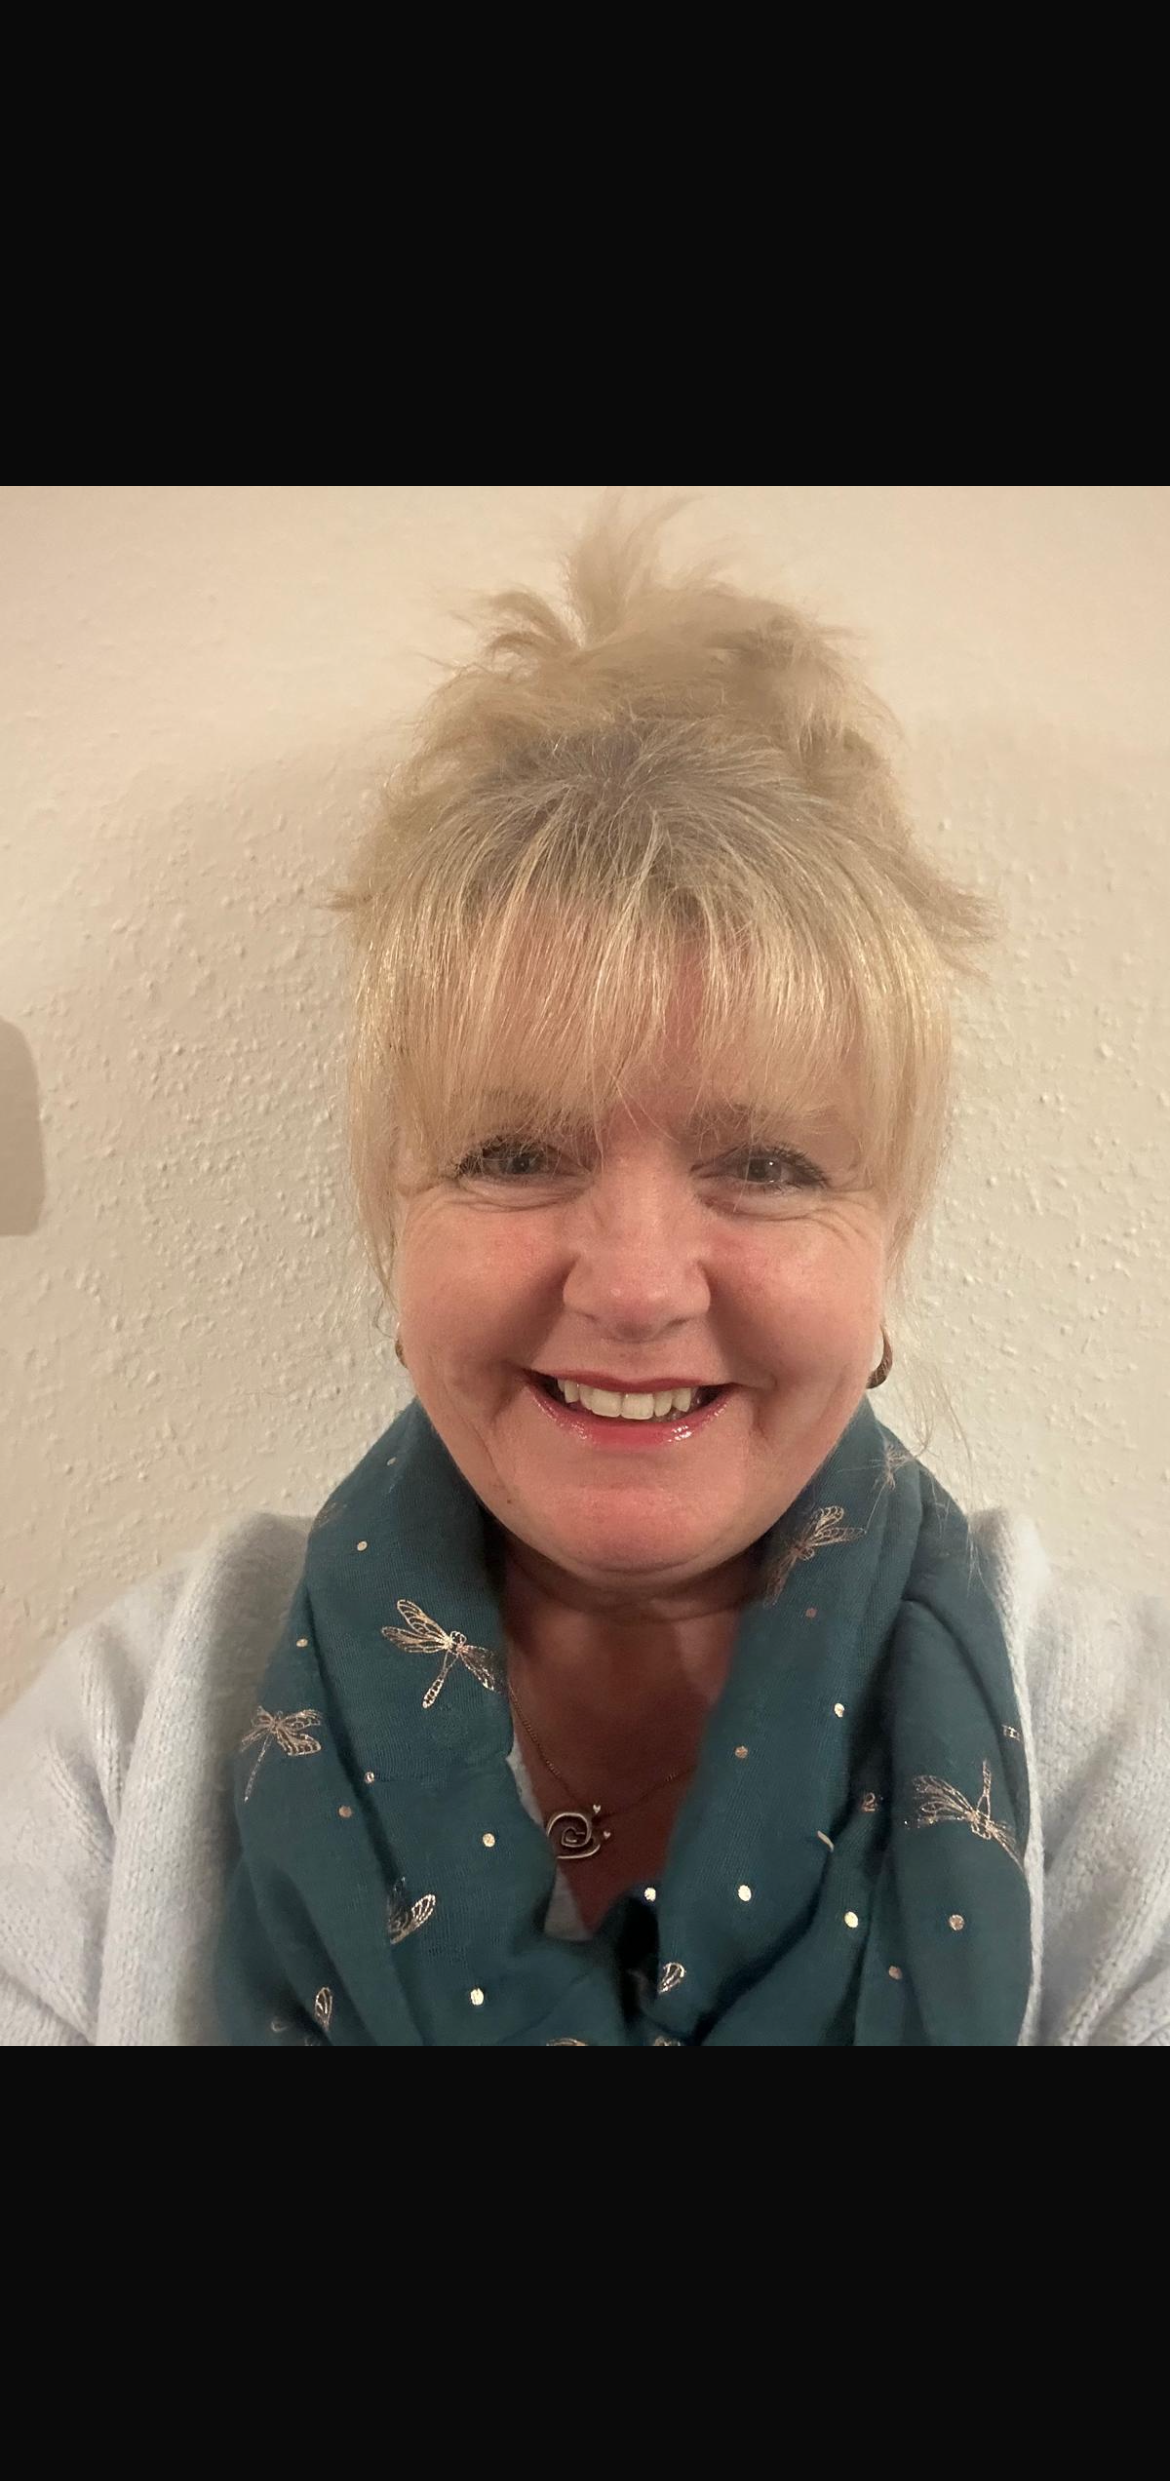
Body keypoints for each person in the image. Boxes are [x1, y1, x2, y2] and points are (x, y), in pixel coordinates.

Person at [2, 500, 1167, 2047]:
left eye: (766, 1165)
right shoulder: (130, 1736)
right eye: (514, 1153)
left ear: (886, 1236)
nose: (633, 1286)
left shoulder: (1111, 1756)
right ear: (393, 1218)